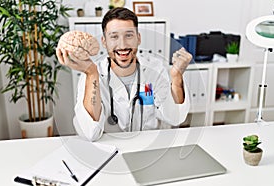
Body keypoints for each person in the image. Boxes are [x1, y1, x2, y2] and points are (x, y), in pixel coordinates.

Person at [56, 7, 192, 141]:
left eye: (129, 35)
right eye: (114, 36)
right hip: (111, 149)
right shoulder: (92, 73)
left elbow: (175, 118)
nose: (122, 45)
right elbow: (89, 132)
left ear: (138, 38)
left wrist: (176, 77)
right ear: (104, 41)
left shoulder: (154, 69)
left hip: (149, 145)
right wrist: (92, 74)